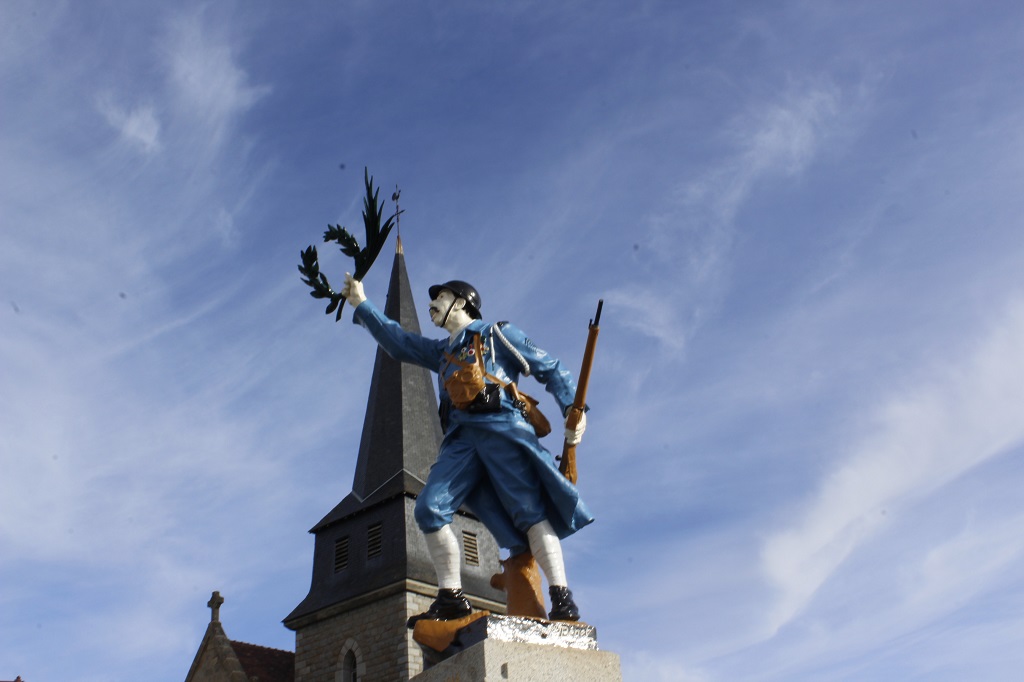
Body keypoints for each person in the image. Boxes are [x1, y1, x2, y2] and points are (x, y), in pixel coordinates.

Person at [340, 274, 594, 622]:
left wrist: (572, 408)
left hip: (501, 430)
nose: (432, 306)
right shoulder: (442, 352)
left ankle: (561, 597)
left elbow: (549, 368)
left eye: (439, 299)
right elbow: (398, 342)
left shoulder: (498, 334)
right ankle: (451, 596)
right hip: (460, 441)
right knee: (429, 509)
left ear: (460, 302)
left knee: (531, 514)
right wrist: (361, 304)